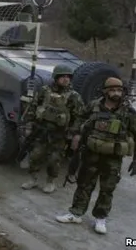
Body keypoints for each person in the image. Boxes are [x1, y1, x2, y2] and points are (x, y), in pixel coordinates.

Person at [55, 77, 136, 234]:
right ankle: (76, 213)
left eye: (119, 90)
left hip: (113, 158)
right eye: (112, 90)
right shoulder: (94, 105)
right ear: (105, 92)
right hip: (91, 154)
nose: (116, 93)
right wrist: (76, 135)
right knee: (84, 184)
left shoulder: (128, 112)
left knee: (107, 189)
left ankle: (100, 218)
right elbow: (80, 118)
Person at [20, 64, 84, 193]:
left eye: (68, 77)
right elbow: (33, 106)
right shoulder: (44, 90)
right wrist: (28, 124)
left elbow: (79, 116)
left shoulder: (74, 96)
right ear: (56, 77)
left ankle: (50, 182)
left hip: (59, 134)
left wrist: (73, 133)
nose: (66, 79)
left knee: (54, 159)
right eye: (63, 76)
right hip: (41, 130)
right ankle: (33, 179)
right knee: (35, 155)